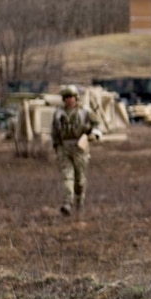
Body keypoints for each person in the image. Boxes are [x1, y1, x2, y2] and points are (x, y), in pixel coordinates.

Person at [52, 85, 99, 215]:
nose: (69, 100)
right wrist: (56, 146)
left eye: (71, 97)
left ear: (76, 98)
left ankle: (79, 201)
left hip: (80, 148)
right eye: (66, 97)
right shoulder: (58, 113)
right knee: (67, 177)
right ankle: (67, 203)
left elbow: (96, 125)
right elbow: (54, 131)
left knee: (80, 180)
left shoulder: (85, 111)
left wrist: (93, 135)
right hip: (64, 148)